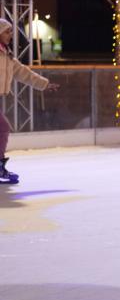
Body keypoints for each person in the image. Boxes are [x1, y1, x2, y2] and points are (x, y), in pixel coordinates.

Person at [0, 18, 60, 184]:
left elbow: (23, 72)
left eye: (11, 31)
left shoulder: (7, 54)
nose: (11, 35)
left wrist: (44, 84)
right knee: (3, 128)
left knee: (2, 129)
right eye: (7, 31)